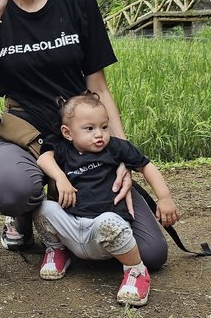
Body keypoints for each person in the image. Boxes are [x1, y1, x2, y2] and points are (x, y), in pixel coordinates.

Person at [0, 0, 168, 270]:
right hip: (26, 136)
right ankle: (26, 216)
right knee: (15, 189)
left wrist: (120, 155)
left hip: (82, 138)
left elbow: (98, 87)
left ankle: (64, 216)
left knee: (151, 254)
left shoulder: (78, 3)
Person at [34, 93, 179, 307]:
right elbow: (43, 158)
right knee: (43, 207)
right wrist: (60, 177)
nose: (99, 134)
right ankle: (57, 250)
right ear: (67, 133)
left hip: (102, 232)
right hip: (73, 226)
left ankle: (135, 272)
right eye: (89, 129)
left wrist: (165, 198)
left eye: (104, 127)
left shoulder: (115, 148)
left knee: (110, 222)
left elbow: (146, 166)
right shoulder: (63, 149)